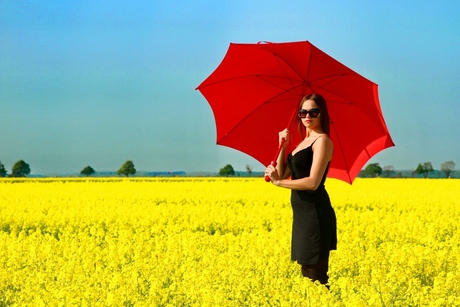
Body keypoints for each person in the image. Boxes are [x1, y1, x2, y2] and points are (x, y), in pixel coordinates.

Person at [264, 93, 337, 286]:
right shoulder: (300, 143)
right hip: (302, 216)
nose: (307, 116)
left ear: (322, 114)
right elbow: (281, 173)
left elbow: (313, 182)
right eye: (303, 112)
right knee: (306, 273)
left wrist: (278, 183)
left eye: (314, 112)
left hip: (315, 214)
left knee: (316, 276)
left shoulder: (322, 141)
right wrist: (283, 146)